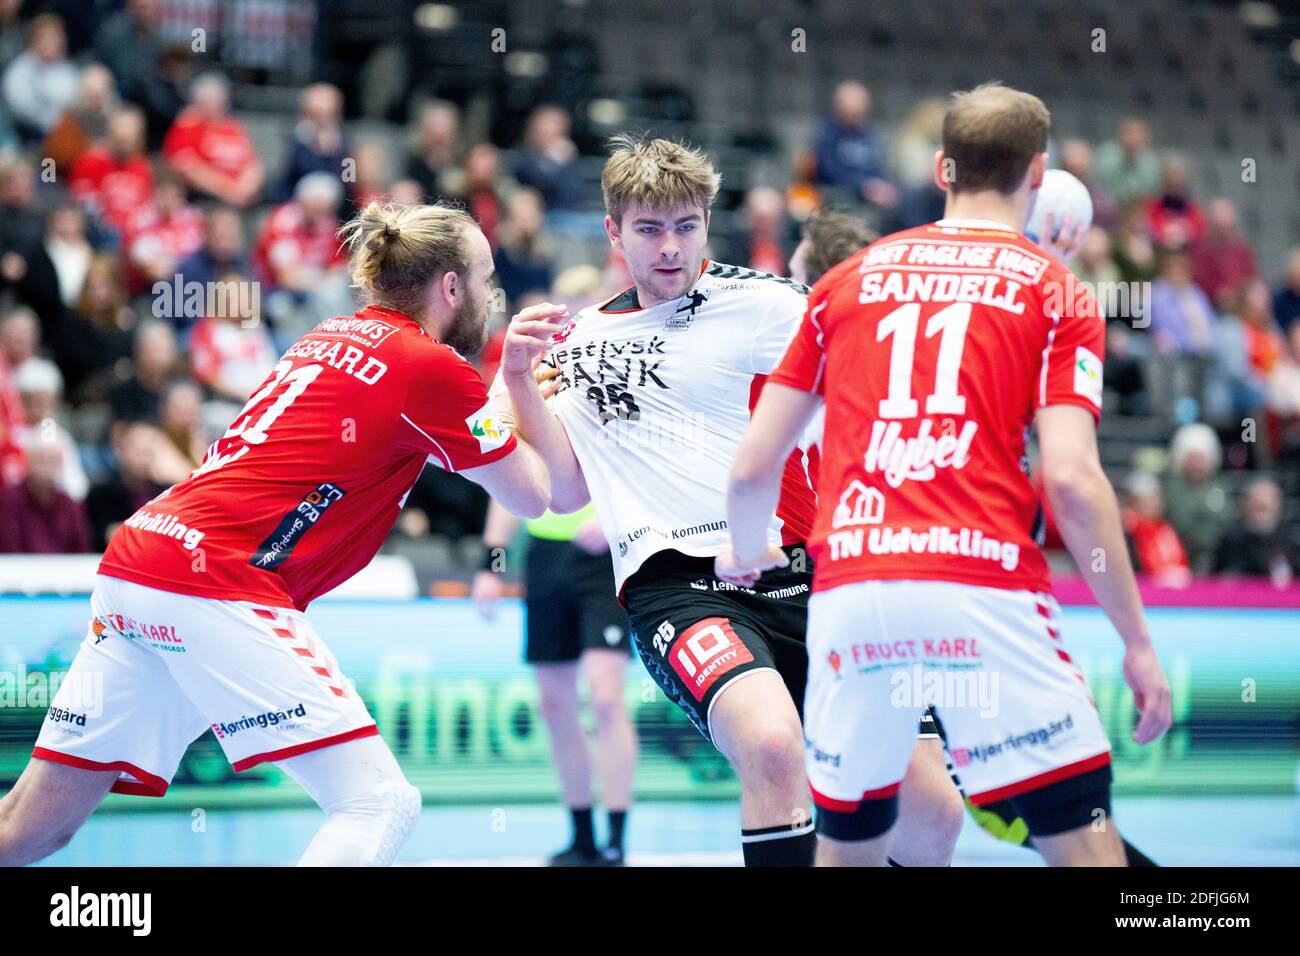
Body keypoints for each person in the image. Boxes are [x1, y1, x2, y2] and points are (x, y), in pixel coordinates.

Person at [0, 201, 554, 866]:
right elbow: (534, 495)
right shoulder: (429, 367)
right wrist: (517, 383)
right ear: (452, 288)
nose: (493, 296)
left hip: (141, 562)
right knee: (378, 803)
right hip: (216, 580)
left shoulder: (328, 335)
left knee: (30, 826)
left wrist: (495, 400)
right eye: (487, 279)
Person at [723, 83, 1172, 866]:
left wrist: (746, 547)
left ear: (940, 168)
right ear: (1037, 176)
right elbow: (1071, 480)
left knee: (850, 849)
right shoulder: (1055, 288)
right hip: (981, 580)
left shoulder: (846, 281)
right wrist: (1136, 640)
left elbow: (756, 462)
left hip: (853, 588)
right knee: (1086, 847)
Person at [492, 135, 963, 867]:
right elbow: (562, 491)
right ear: (614, 233)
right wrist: (519, 379)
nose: (671, 247)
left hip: (805, 572)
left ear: (708, 221)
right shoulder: (573, 343)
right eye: (649, 230)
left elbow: (873, 382)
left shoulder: (767, 304)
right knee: (773, 745)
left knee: (933, 817)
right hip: (678, 589)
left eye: (687, 226)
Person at [473, 499, 638, 866]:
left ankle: (616, 840)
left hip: (607, 552)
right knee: (553, 705)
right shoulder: (525, 436)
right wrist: (491, 566)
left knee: (606, 699)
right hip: (546, 556)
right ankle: (582, 839)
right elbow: (505, 483)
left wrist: (616, 518)